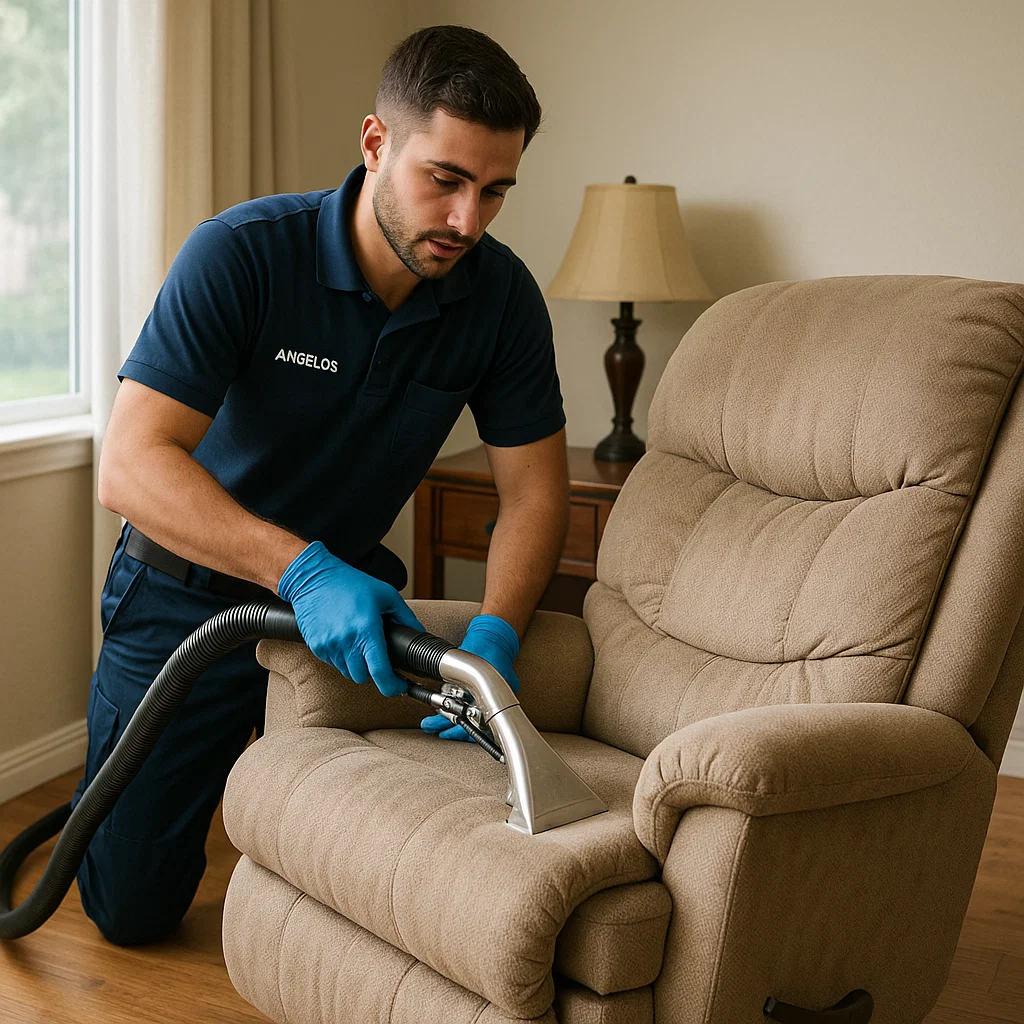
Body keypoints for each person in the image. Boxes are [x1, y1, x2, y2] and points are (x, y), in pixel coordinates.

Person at [72, 24, 569, 946]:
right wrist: (297, 569)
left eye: (496, 190)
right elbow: (131, 465)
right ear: (377, 143)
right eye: (447, 180)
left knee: (370, 839)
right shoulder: (243, 253)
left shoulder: (499, 298)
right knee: (128, 912)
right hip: (186, 599)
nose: (470, 221)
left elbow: (535, 494)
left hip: (351, 613)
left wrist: (497, 629)